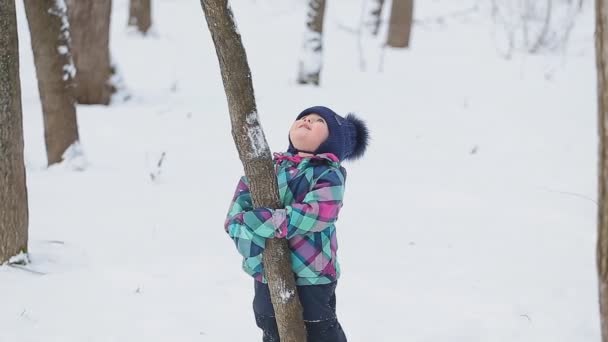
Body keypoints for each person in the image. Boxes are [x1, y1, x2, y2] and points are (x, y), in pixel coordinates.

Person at [224, 106, 369, 341]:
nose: (307, 120)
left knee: (318, 327)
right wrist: (251, 247)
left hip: (312, 272)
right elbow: (236, 215)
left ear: (334, 141)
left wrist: (259, 221)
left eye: (318, 120)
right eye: (303, 117)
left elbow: (315, 215)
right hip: (266, 269)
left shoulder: (329, 175)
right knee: (267, 319)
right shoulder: (268, 169)